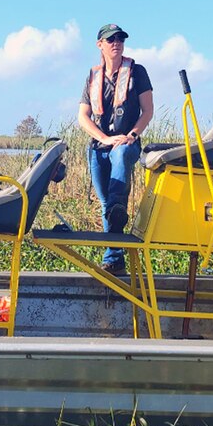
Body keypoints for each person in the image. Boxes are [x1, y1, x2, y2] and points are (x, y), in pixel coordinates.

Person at [78, 23, 153, 274]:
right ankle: (115, 258)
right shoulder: (92, 76)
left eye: (120, 39)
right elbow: (83, 117)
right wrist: (104, 138)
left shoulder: (137, 71)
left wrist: (131, 135)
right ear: (100, 44)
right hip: (99, 147)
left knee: (119, 160)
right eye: (110, 39)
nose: (116, 43)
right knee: (105, 202)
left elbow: (148, 111)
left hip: (126, 145)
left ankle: (116, 210)